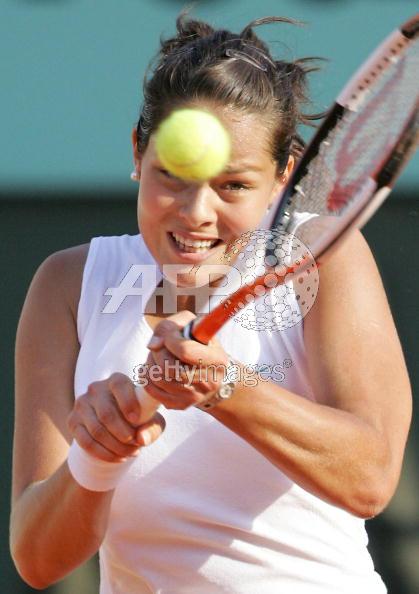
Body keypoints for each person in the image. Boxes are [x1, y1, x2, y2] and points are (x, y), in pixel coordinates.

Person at [10, 13, 412, 594]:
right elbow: (38, 558)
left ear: (284, 178)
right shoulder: (68, 285)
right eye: (173, 176)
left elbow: (370, 478)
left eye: (234, 186)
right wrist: (94, 460)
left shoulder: (323, 256)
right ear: (137, 153)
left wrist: (225, 386)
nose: (196, 212)